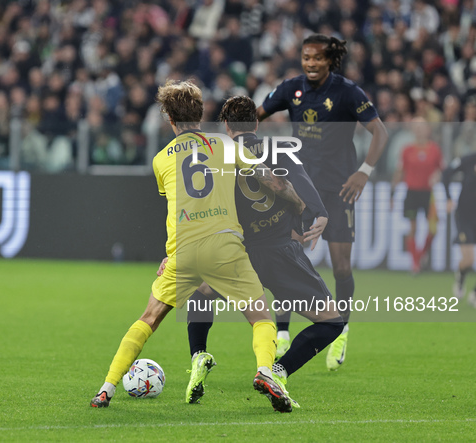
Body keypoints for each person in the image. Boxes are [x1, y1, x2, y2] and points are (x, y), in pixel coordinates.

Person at [90, 80, 306, 412]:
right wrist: (297, 203)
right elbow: (272, 181)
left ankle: (106, 389)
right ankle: (265, 371)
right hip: (224, 245)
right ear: (202, 112)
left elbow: (178, 206)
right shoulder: (225, 144)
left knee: (148, 318)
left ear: (169, 119)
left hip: (184, 251)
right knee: (261, 316)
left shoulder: (161, 160)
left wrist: (170, 253)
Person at [171, 95, 344, 406]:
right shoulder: (278, 149)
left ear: (225, 125)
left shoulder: (217, 152)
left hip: (235, 251)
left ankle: (198, 355)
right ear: (256, 123)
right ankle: (278, 370)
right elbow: (302, 190)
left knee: (202, 291)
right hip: (279, 250)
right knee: (331, 321)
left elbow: (198, 201)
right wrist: (318, 214)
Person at [256, 34, 389, 370]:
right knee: (287, 255)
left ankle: (340, 327)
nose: (311, 64)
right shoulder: (291, 88)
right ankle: (283, 332)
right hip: (298, 188)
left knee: (341, 266)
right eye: (306, 57)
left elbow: (380, 132)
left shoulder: (348, 92)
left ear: (331, 60)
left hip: (339, 189)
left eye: (317, 58)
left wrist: (364, 172)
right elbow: (256, 114)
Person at [390, 118, 444, 274]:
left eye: (422, 127)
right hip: (412, 193)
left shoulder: (435, 150)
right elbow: (399, 172)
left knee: (433, 229)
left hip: (429, 194)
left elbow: (442, 170)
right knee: (412, 227)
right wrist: (392, 195)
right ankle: (415, 264)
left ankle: (421, 255)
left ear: (428, 129)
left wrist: (437, 175)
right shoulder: (407, 150)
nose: (419, 130)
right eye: (416, 127)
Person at [442, 152, 476, 307]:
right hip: (465, 215)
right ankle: (461, 277)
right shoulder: (469, 159)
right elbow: (447, 173)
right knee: (468, 259)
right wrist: (448, 197)